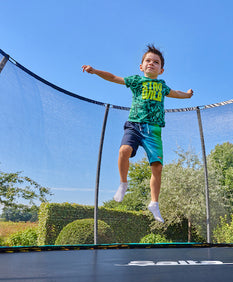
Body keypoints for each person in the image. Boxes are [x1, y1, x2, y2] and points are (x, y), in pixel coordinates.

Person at [82, 44, 193, 223]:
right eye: (148, 61)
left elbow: (176, 93)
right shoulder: (136, 81)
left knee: (157, 167)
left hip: (154, 130)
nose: (151, 63)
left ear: (161, 70)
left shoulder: (162, 86)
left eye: (155, 62)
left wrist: (187, 95)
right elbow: (113, 77)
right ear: (141, 67)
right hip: (134, 125)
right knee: (123, 151)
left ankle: (154, 203)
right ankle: (123, 183)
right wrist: (95, 71)